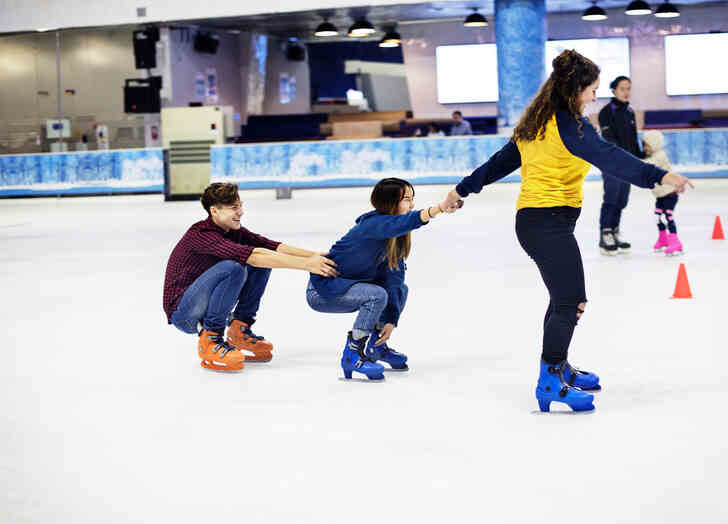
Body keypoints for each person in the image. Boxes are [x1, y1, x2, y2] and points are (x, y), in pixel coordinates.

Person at [441, 50, 692, 412]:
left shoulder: (537, 123)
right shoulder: (571, 126)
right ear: (575, 90)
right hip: (546, 223)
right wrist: (659, 175)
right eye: (591, 90)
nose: (594, 97)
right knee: (571, 301)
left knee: (561, 297)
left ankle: (560, 367)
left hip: (538, 222)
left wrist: (461, 190)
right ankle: (549, 382)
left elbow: (499, 163)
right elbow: (611, 158)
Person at [163, 182, 338, 372]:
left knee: (262, 262)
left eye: (240, 206)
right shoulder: (201, 234)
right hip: (184, 313)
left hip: (201, 303)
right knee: (234, 267)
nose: (241, 212)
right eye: (233, 208)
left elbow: (272, 247)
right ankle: (211, 338)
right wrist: (307, 266)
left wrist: (317, 256)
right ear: (214, 210)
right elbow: (254, 256)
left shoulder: (233, 231)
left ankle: (239, 328)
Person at [306, 178, 455, 381]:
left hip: (349, 286)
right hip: (323, 290)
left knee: (400, 289)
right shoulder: (373, 225)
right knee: (377, 295)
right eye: (406, 199)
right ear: (389, 203)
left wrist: (391, 320)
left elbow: (394, 279)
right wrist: (438, 208)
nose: (411, 205)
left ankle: (377, 347)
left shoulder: (396, 234)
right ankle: (352, 354)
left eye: (413, 199)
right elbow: (406, 221)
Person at [597, 75, 642, 255]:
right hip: (612, 164)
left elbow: (633, 139)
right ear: (614, 90)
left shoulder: (630, 112)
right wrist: (624, 158)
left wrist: (641, 155)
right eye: (623, 88)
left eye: (628, 88)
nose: (626, 92)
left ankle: (615, 230)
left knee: (622, 199)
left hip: (628, 164)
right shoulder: (607, 112)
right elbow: (609, 140)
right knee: (612, 197)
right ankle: (605, 233)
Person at [642, 130, 683, 256]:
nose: (644, 149)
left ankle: (675, 242)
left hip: (670, 194)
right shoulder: (652, 156)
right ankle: (663, 238)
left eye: (646, 145)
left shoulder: (660, 156)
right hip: (660, 195)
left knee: (667, 216)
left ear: (654, 144)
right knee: (657, 216)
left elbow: (648, 166)